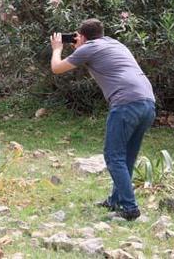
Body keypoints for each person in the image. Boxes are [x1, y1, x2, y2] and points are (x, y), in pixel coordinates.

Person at [49, 18, 156, 221]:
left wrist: (57, 48)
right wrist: (81, 44)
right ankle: (116, 200)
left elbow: (57, 68)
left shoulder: (87, 48)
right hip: (148, 103)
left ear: (82, 36)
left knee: (113, 156)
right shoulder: (114, 43)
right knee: (127, 157)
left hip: (126, 104)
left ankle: (130, 207)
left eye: (78, 37)